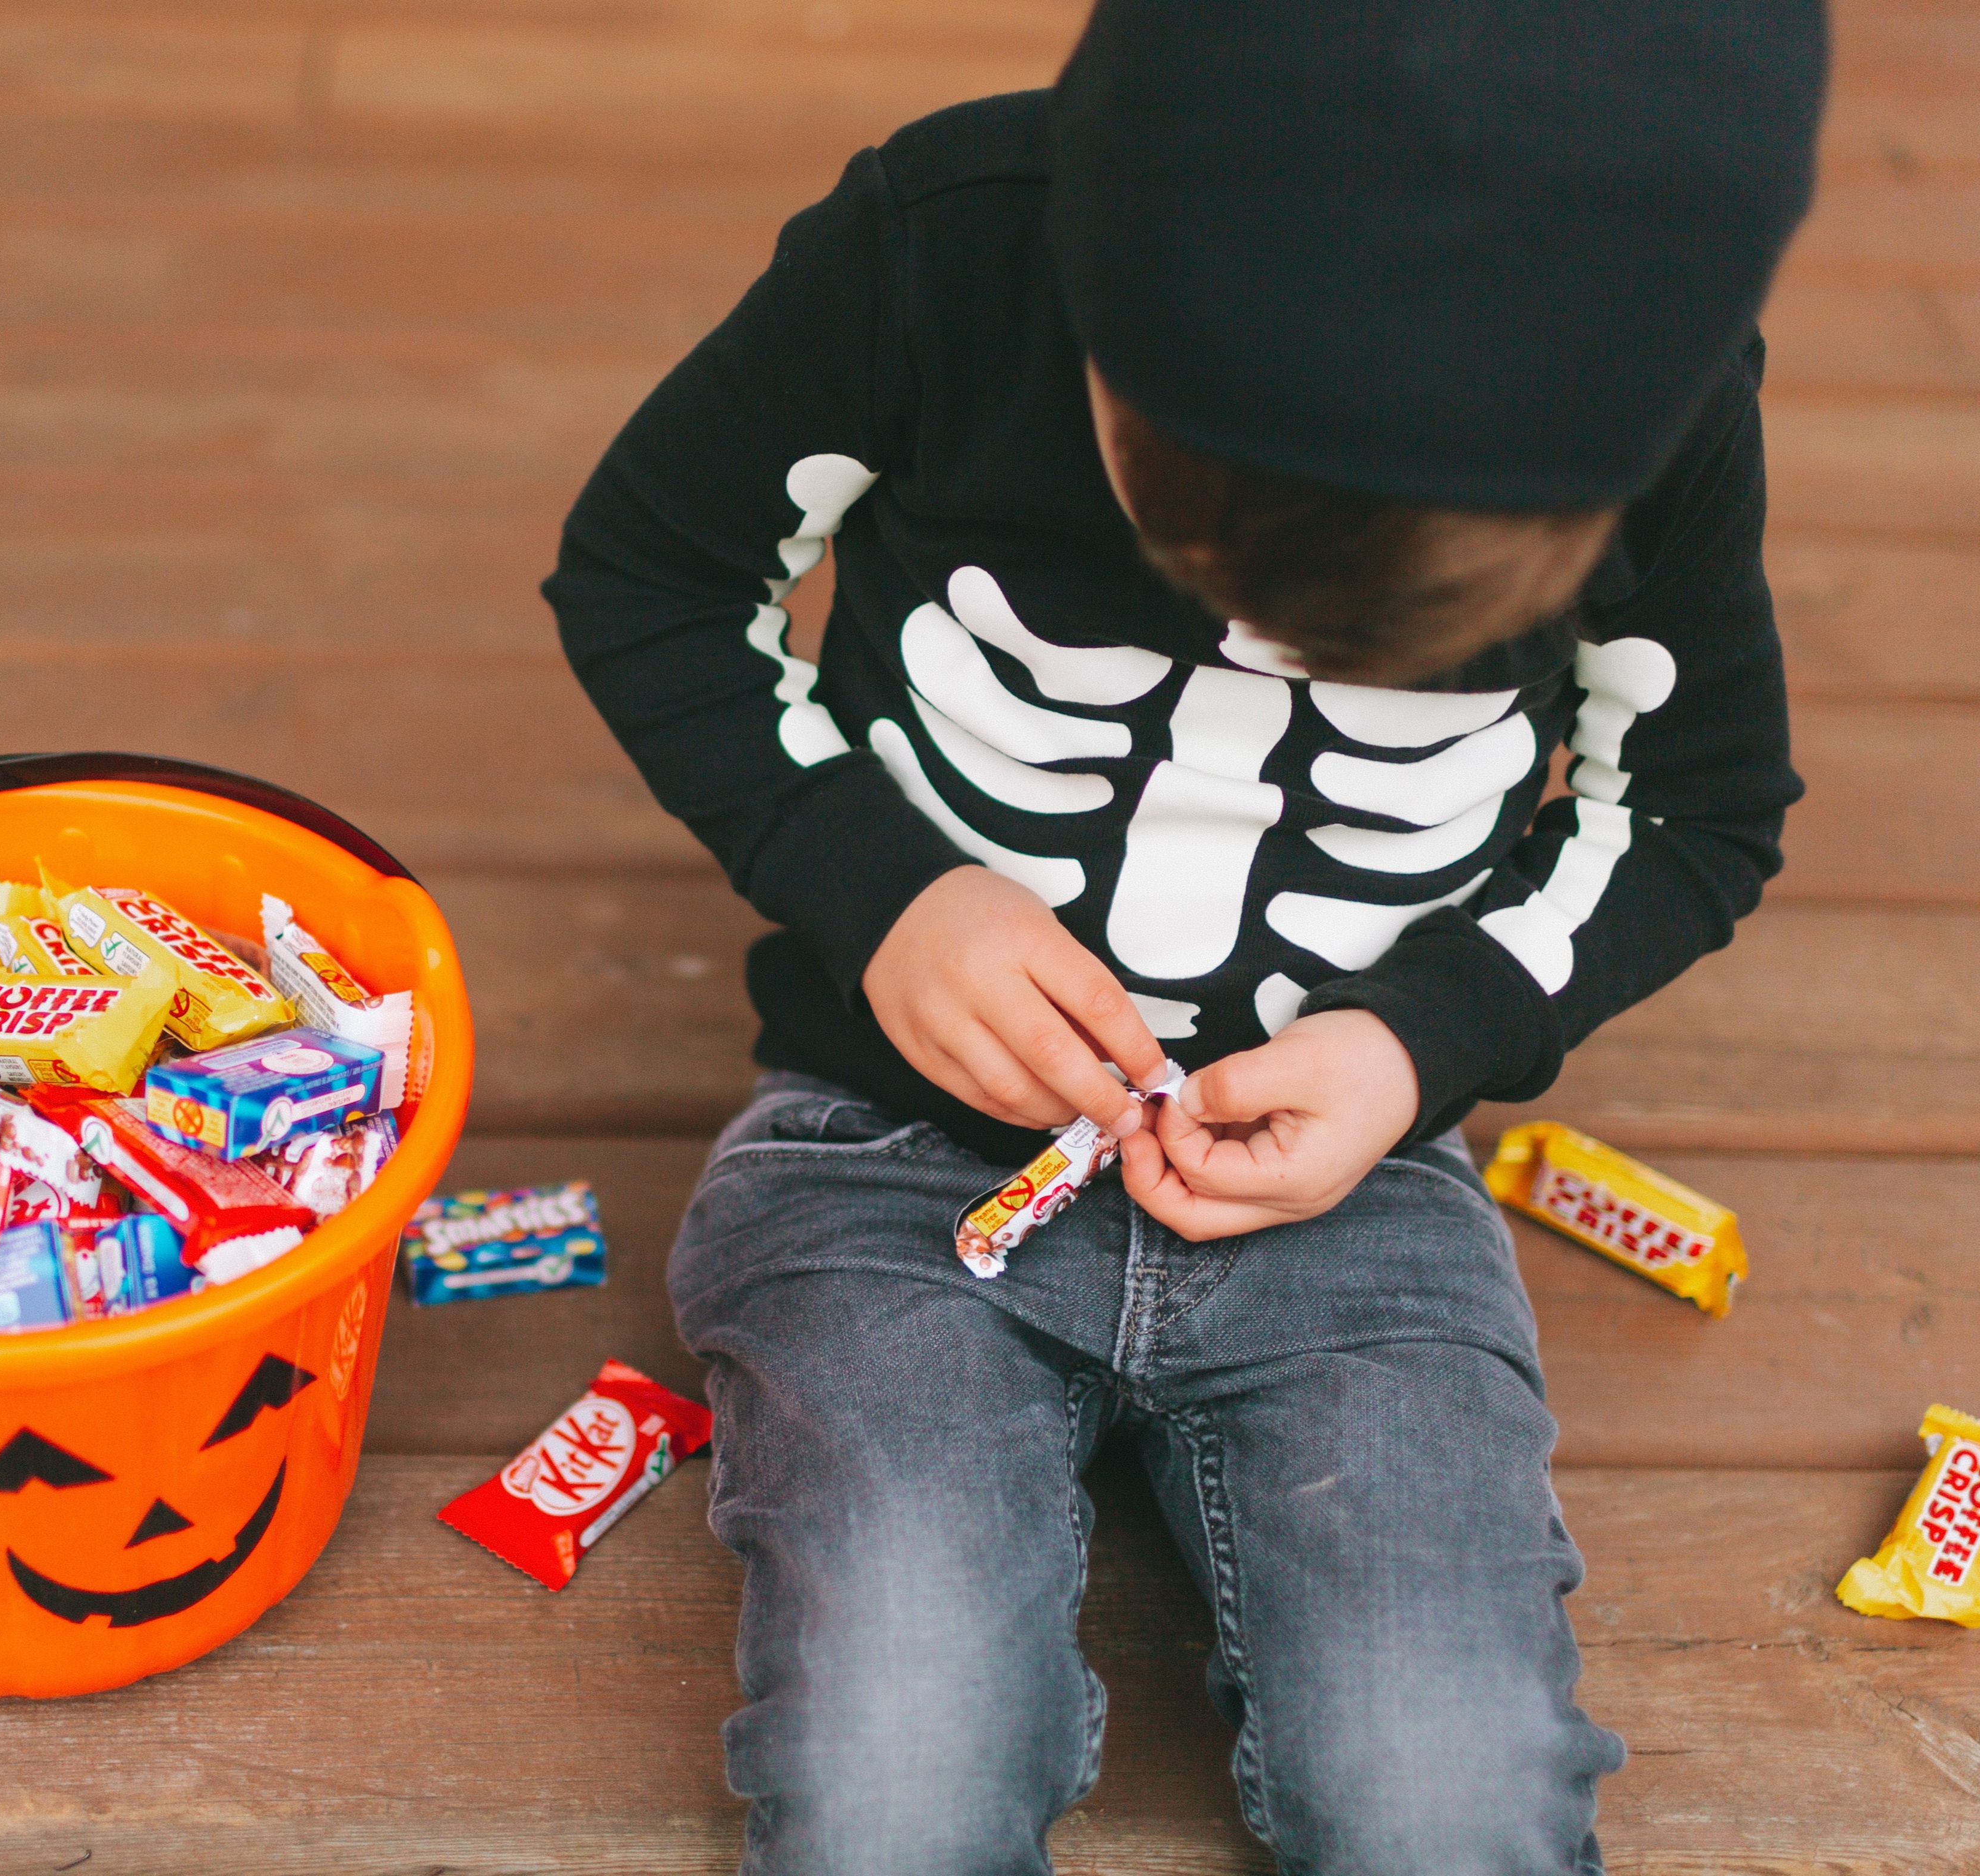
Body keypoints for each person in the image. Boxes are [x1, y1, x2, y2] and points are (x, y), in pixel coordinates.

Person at [544, 0, 1826, 1869]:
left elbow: (1697, 808)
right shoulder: (954, 240)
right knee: (892, 1785)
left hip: (1356, 1200)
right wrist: (875, 888)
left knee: (1445, 1804)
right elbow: (650, 570)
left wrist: (1414, 1046)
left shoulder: (1660, 405)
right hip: (886, 1150)